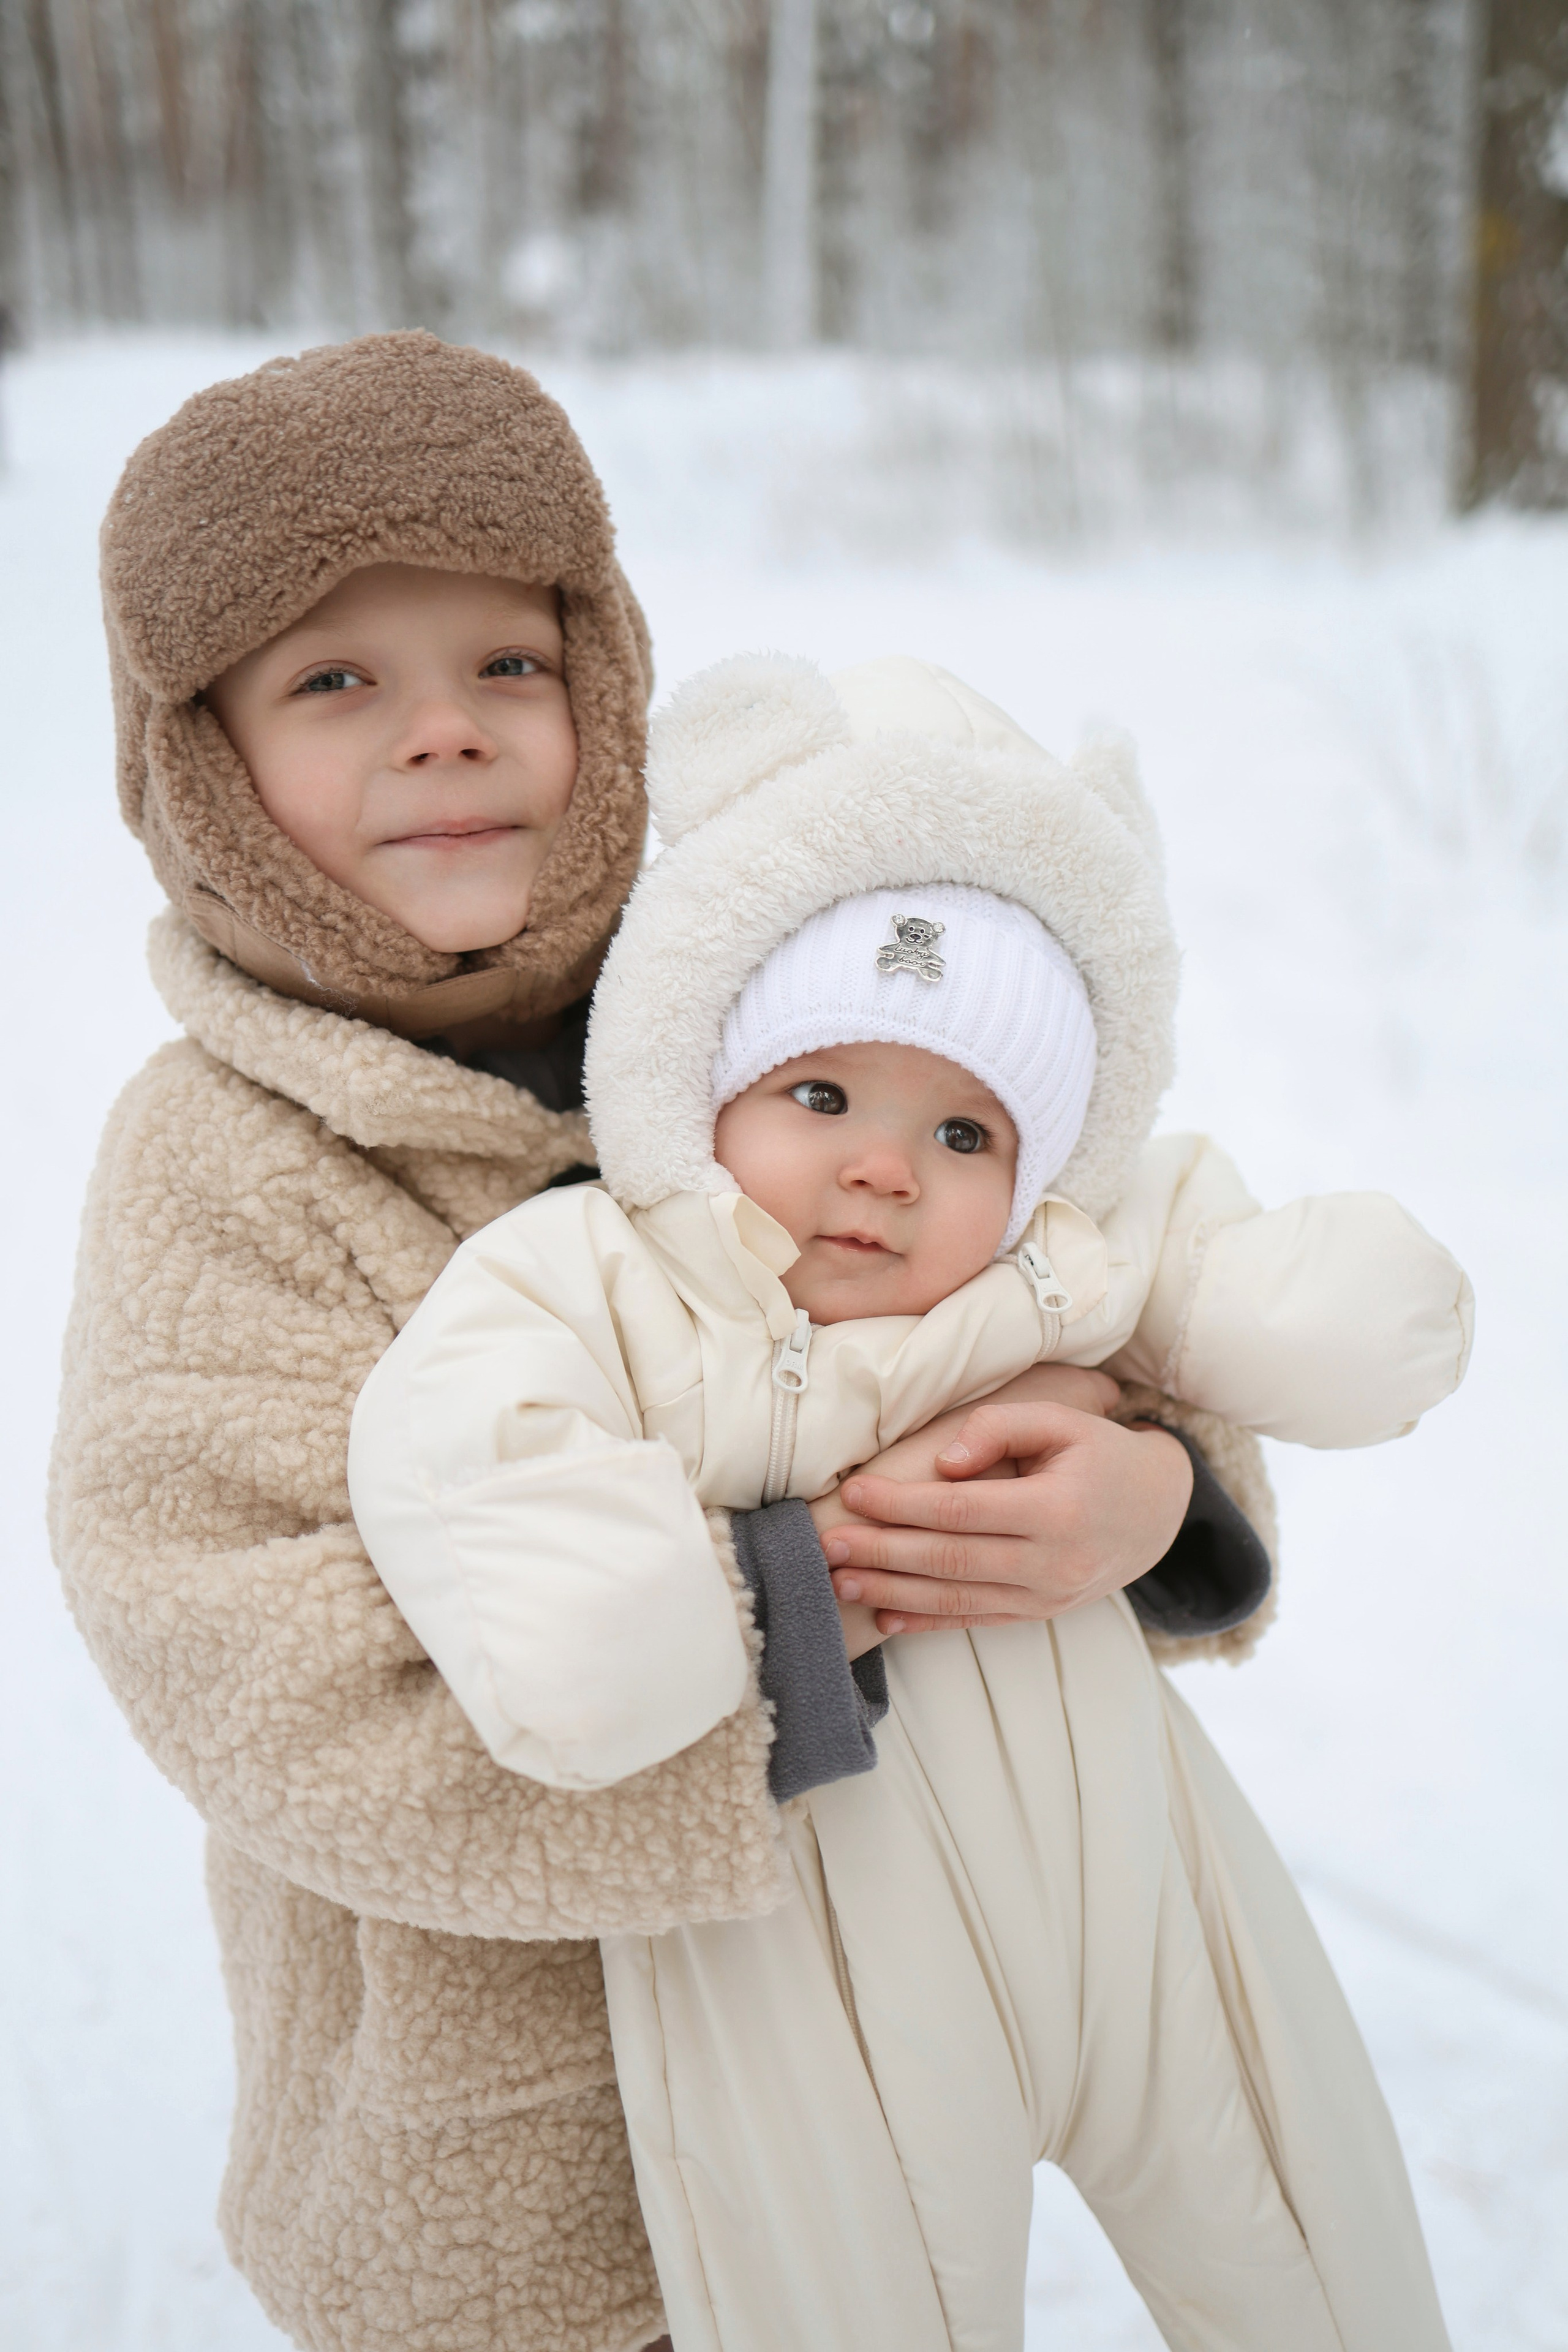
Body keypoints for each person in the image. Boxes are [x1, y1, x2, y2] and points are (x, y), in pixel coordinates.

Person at [49, 334, 1271, 2352]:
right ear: (201, 762)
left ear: (603, 682)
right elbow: (263, 1680)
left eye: (504, 668)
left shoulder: (772, 1009)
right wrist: (808, 1593)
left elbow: (1075, 1274)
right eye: (334, 680)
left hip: (883, 2094)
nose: (441, 735)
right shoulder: (221, 1164)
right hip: (517, 2189)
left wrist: (1162, 1492)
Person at [347, 651, 1472, 2352]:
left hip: (1142, 1874)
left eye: (966, 1131)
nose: (886, 1166)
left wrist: (1223, 1417)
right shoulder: (598, 1272)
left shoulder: (1068, 1263)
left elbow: (1299, 1309)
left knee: (1299, 2234)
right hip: (815, 1934)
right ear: (703, 1075)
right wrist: (664, 1611)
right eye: (821, 1096)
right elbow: (466, 1451)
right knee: (861, 2294)